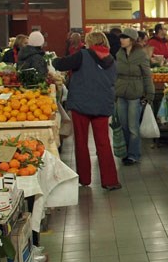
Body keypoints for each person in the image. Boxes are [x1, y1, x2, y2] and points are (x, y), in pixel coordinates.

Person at [52, 31, 120, 191]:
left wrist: (52, 59)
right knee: (103, 142)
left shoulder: (82, 55)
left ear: (89, 42)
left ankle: (84, 178)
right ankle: (110, 180)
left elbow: (60, 64)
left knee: (81, 142)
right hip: (103, 104)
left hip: (81, 104)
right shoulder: (111, 59)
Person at [115, 28, 154, 165]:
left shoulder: (141, 55)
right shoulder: (119, 54)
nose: (121, 40)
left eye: (124, 37)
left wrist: (150, 93)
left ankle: (133, 154)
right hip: (121, 92)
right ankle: (125, 152)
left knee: (133, 127)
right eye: (121, 37)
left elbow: (147, 75)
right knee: (123, 125)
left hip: (135, 93)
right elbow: (115, 73)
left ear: (131, 40)